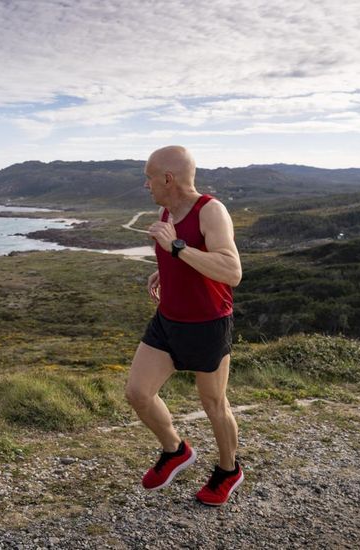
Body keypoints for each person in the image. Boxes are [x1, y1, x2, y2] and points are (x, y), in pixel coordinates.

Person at [125, 145, 243, 506]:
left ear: (167, 178)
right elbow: (188, 260)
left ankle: (228, 470)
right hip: (168, 321)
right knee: (138, 393)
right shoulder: (167, 210)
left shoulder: (211, 210)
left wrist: (176, 248)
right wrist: (163, 271)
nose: (146, 184)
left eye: (149, 177)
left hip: (208, 324)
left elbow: (231, 271)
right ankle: (175, 450)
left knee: (213, 403)